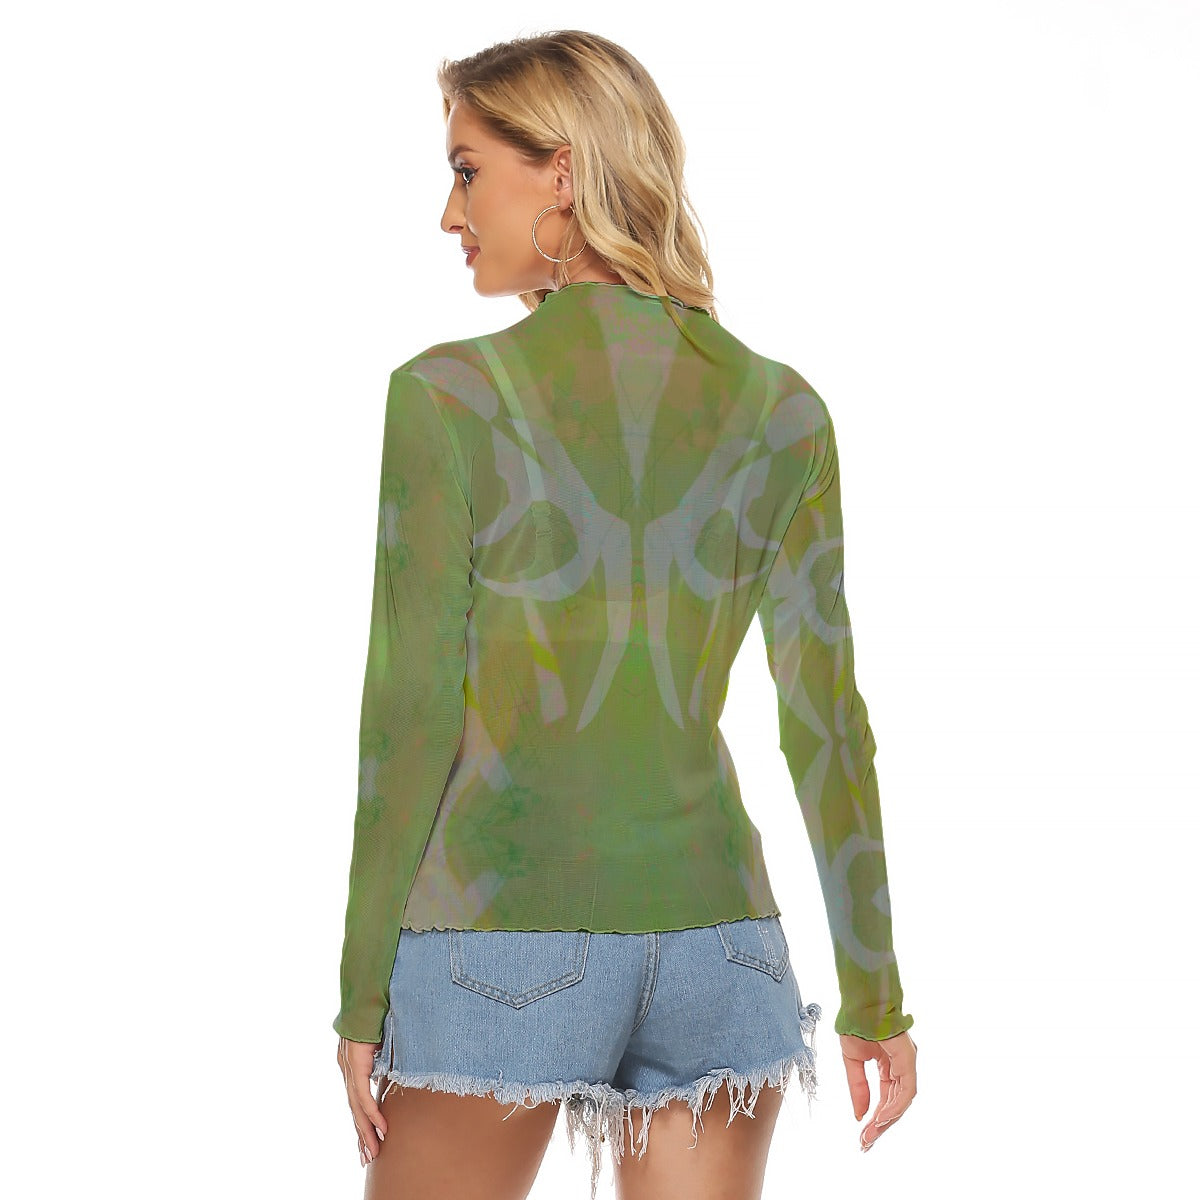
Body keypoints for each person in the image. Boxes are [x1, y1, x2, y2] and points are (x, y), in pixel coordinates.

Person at [334, 29, 918, 1200]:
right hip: (722, 950)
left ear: (561, 171)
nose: (451, 215)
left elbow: (409, 717)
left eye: (466, 171)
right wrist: (876, 997)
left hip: (504, 940)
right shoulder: (784, 412)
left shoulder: (449, 398)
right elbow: (825, 722)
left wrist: (359, 999)